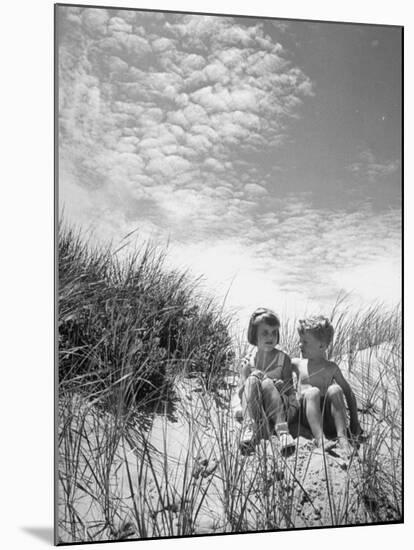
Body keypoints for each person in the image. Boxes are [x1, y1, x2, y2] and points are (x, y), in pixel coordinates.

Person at [291, 316, 362, 452]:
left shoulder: (331, 367)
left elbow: (348, 392)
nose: (300, 344)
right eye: (300, 340)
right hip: (307, 420)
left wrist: (354, 421)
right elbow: (276, 365)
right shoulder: (298, 364)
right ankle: (320, 439)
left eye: (305, 342)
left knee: (335, 389)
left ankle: (342, 437)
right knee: (313, 392)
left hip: (328, 421)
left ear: (322, 346)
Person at [236, 308, 299, 454]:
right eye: (265, 333)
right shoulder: (248, 361)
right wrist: (246, 376)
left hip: (281, 410)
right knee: (253, 378)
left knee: (266, 382)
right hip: (258, 410)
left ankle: (283, 432)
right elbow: (242, 395)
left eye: (274, 332)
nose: (270, 336)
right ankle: (249, 428)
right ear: (254, 335)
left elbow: (290, 390)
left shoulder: (283, 359)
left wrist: (280, 386)